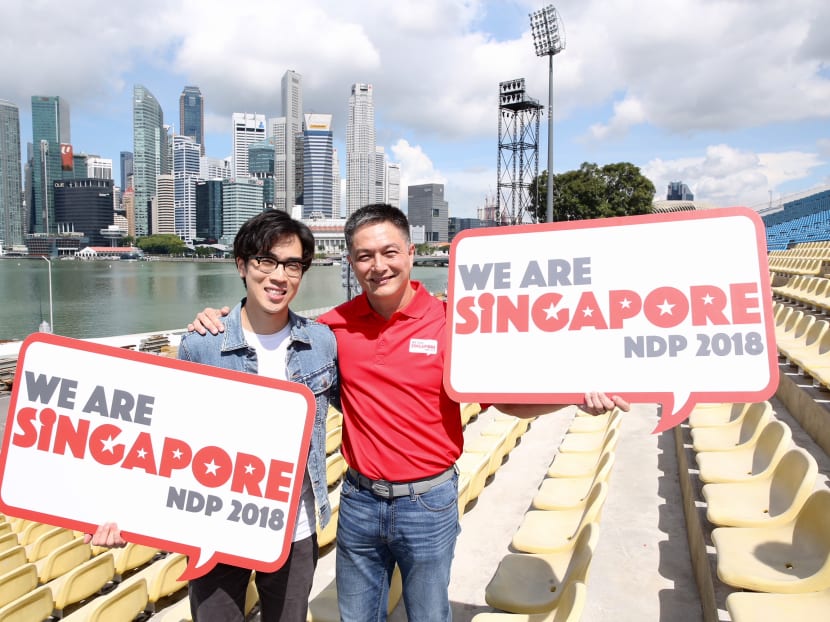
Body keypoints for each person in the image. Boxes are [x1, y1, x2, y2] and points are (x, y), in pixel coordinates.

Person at [191, 204, 629, 621]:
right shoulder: (332, 329)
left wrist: (574, 395)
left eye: (389, 252)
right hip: (359, 500)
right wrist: (216, 318)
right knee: (356, 616)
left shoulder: (451, 323)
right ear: (351, 262)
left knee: (427, 614)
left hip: (428, 503)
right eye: (364, 256)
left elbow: (508, 400)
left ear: (410, 254)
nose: (377, 265)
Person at [88, 210, 338, 622]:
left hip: (294, 529)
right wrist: (118, 510)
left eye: (293, 265)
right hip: (215, 528)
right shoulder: (201, 344)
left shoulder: (321, 343)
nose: (279, 276)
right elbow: (158, 437)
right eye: (266, 261)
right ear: (242, 265)